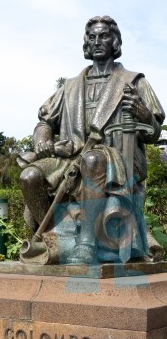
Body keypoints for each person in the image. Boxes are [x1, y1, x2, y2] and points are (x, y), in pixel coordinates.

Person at [18, 15, 165, 264]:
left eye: (104, 36)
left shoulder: (134, 81)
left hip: (117, 158)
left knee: (93, 159)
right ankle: (57, 237)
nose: (97, 41)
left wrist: (144, 114)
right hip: (70, 155)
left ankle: (86, 244)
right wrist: (42, 139)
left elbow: (153, 132)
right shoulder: (70, 86)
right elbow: (44, 121)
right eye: (92, 37)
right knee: (28, 177)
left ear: (115, 41)